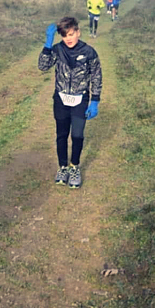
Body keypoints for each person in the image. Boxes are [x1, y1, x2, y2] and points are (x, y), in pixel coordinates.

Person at [38, 16, 102, 189]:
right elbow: (43, 67)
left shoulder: (89, 52)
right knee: (61, 135)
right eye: (65, 35)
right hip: (61, 100)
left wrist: (94, 100)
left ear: (78, 32)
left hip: (80, 100)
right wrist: (48, 43)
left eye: (72, 34)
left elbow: (96, 77)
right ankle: (63, 167)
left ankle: (74, 167)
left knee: (77, 135)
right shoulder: (58, 50)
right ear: (61, 37)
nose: (69, 38)